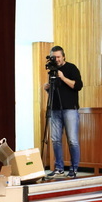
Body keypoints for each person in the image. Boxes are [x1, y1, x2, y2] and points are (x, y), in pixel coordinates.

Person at [43, 45, 83, 179]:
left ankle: (74, 168)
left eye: (58, 57)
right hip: (55, 109)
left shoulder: (71, 68)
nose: (57, 59)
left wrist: (63, 77)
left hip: (70, 109)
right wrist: (48, 88)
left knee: (72, 140)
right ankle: (59, 168)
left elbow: (78, 86)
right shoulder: (52, 71)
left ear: (63, 56)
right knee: (55, 140)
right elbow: (54, 91)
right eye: (54, 57)